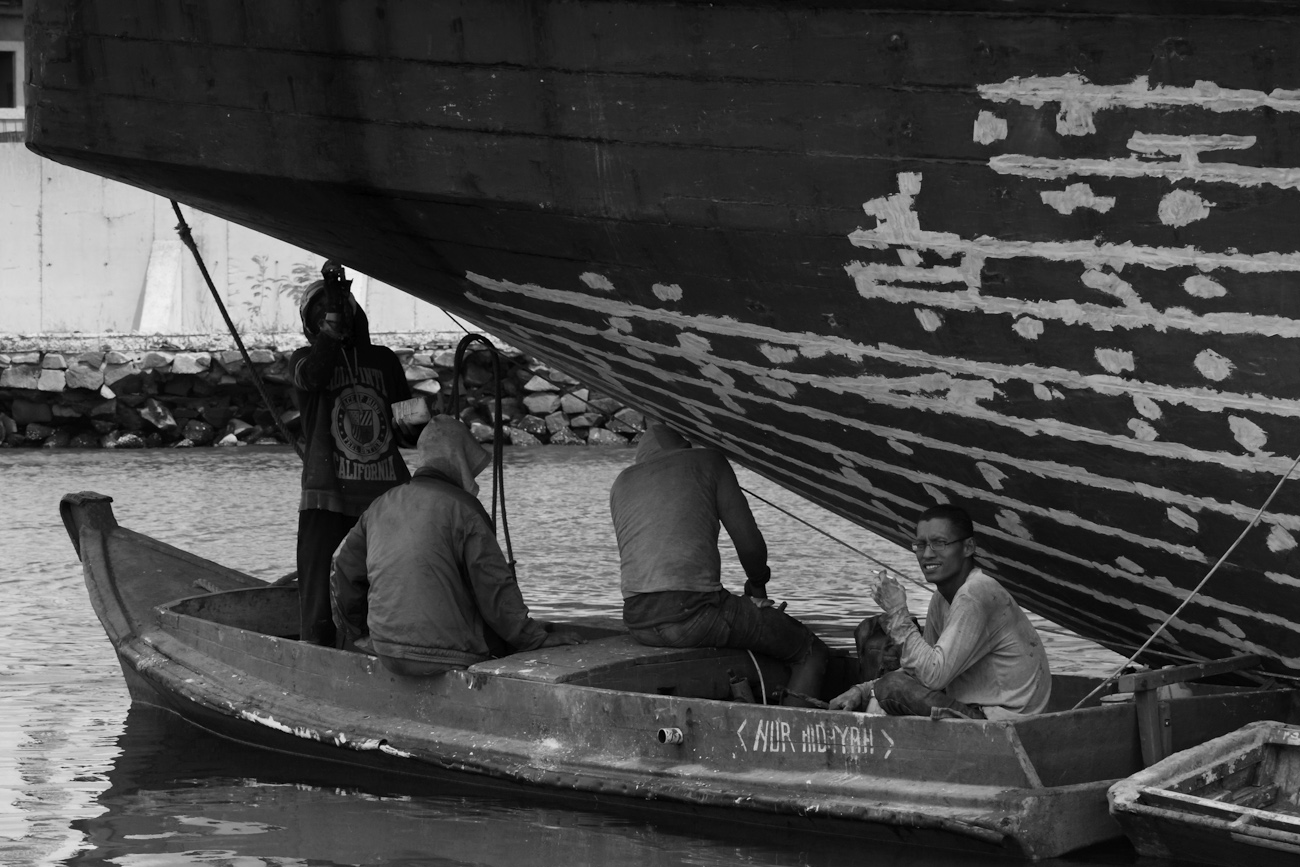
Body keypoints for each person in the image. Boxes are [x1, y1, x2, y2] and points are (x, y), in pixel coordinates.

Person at [331, 416, 585, 675]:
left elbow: (343, 571)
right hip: (445, 655)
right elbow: (494, 587)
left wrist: (363, 633)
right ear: (461, 459)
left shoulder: (380, 504)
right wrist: (534, 639)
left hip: (387, 652)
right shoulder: (465, 509)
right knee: (503, 638)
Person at [609, 422, 829, 707]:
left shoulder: (622, 482)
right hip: (695, 614)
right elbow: (749, 544)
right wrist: (757, 584)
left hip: (638, 620)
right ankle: (790, 744)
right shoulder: (709, 460)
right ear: (685, 446)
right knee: (811, 652)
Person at [289, 261, 413, 646]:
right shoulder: (302, 362)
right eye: (324, 316)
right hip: (327, 498)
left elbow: (404, 429)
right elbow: (314, 375)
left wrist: (419, 424)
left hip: (387, 497)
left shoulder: (384, 361)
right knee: (318, 594)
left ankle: (391, 648)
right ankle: (319, 654)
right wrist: (330, 335)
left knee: (393, 582)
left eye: (343, 312)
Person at [830, 505, 1051, 719]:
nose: (927, 554)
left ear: (968, 547)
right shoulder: (941, 598)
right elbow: (918, 671)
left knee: (891, 687)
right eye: (920, 545)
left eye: (939, 543)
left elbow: (933, 677)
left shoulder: (975, 593)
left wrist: (897, 611)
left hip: (1004, 721)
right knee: (884, 690)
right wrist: (862, 690)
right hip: (974, 709)